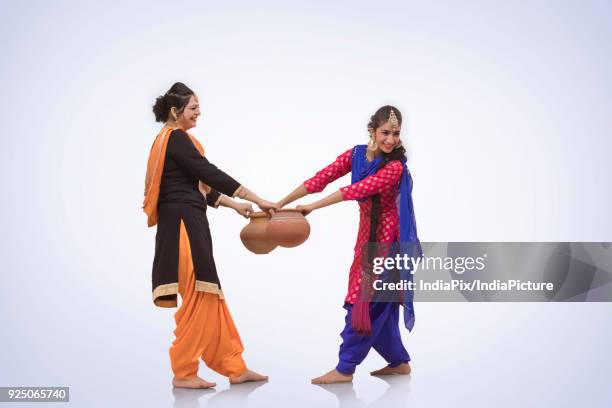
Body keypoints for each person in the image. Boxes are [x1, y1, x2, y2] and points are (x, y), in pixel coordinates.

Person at [143, 82, 275, 389]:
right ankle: (183, 371)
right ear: (175, 112)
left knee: (211, 295)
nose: (198, 113)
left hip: (191, 221)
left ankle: (234, 367)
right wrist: (257, 198)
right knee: (200, 296)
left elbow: (200, 186)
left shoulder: (174, 141)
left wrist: (233, 205)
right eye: (193, 108)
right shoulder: (175, 139)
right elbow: (208, 173)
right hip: (182, 226)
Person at [277, 106, 420, 384]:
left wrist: (311, 208)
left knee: (364, 303)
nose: (390, 139)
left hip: (387, 244)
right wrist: (281, 203)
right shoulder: (356, 154)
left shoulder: (394, 168)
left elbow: (355, 190)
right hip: (366, 238)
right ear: (372, 132)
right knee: (381, 305)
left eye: (395, 133)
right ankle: (399, 362)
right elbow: (322, 178)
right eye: (385, 132)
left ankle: (345, 368)